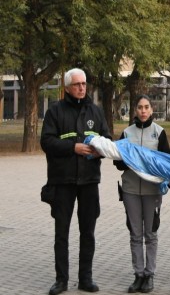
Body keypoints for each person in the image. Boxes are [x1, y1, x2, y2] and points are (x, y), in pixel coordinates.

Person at [40, 68, 111, 295]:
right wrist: (73, 147)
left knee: (87, 232)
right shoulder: (55, 111)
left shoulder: (96, 111)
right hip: (63, 182)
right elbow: (47, 142)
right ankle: (61, 280)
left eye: (84, 84)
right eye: (77, 84)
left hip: (89, 181)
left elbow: (108, 141)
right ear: (67, 87)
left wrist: (100, 151)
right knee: (62, 233)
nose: (82, 88)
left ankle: (85, 279)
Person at [114, 95, 170, 293]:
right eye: (140, 107)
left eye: (147, 107)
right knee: (135, 234)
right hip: (130, 190)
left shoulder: (159, 133)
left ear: (151, 110)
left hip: (152, 191)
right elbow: (118, 163)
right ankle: (138, 274)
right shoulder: (126, 133)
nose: (143, 111)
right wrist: (127, 158)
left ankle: (150, 274)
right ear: (135, 110)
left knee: (151, 233)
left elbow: (166, 162)